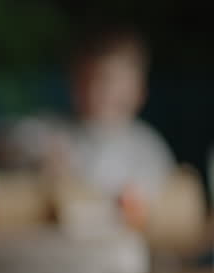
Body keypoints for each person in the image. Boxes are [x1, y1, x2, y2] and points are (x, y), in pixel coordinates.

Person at [53, 30, 176, 229]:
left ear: (138, 90)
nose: (95, 92)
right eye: (86, 80)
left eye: (108, 81)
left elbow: (165, 208)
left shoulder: (148, 148)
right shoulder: (56, 133)